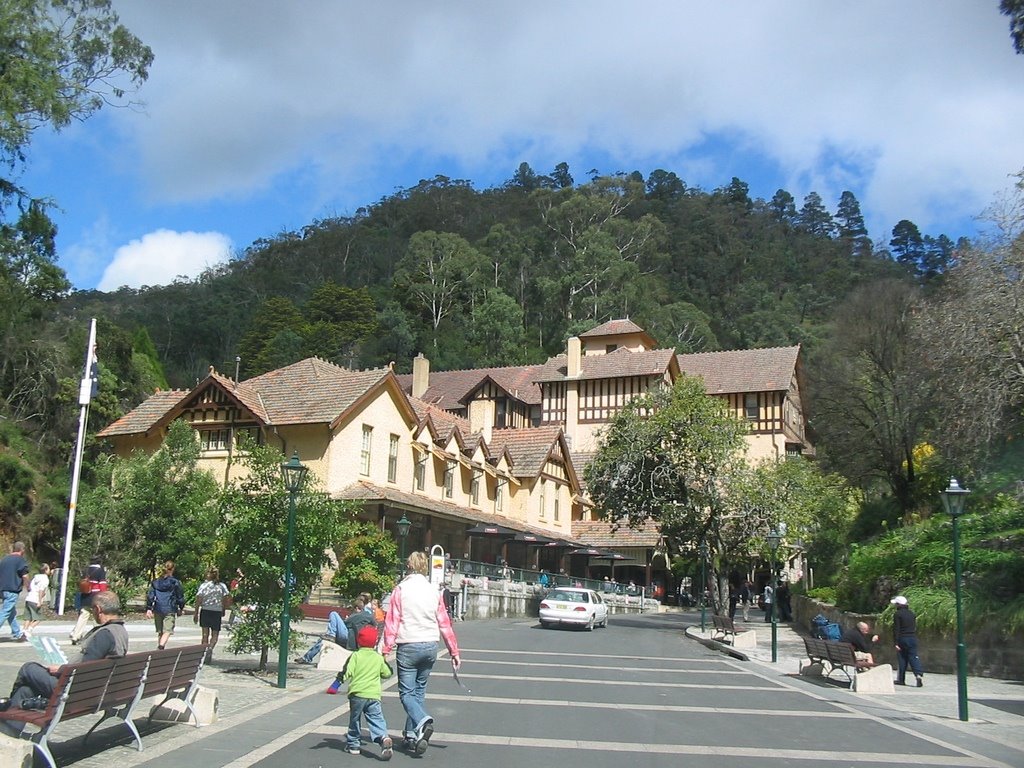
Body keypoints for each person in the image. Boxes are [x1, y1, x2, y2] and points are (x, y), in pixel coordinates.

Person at [0, 591, 128, 721]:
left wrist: (61, 669)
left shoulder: (105, 634)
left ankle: (7, 705)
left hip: (74, 692)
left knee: (28, 668)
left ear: (98, 609)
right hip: (95, 690)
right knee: (26, 691)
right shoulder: (120, 631)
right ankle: (9, 726)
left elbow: (85, 669)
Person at [382, 551, 460, 756]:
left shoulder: (400, 589)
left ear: (408, 566)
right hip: (430, 644)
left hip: (408, 644)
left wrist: (385, 648)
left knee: (406, 693)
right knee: (418, 692)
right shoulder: (434, 591)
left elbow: (393, 621)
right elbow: (444, 622)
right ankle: (411, 735)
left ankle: (423, 721)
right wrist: (453, 651)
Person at [342, 624, 394, 759]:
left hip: (357, 694)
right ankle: (383, 737)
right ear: (375, 642)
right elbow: (388, 673)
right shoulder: (377, 658)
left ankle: (353, 744)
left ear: (359, 642)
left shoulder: (356, 656)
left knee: (355, 719)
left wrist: (336, 683)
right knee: (376, 718)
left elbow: (347, 671)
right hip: (373, 695)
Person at [146, 560, 184, 649]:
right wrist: (181, 607)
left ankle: (160, 649)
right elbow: (180, 596)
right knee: (167, 630)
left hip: (158, 608)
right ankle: (161, 647)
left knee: (160, 631)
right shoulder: (175, 582)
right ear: (173, 569)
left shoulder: (156, 582)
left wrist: (149, 608)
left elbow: (150, 595)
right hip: (170, 608)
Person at [70, 557, 108, 644]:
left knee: (83, 617)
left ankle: (75, 636)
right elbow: (102, 585)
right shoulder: (100, 571)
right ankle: (98, 636)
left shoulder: (86, 570)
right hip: (96, 596)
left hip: (85, 596)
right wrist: (104, 595)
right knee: (97, 617)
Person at [195, 567, 230, 660]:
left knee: (205, 634)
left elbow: (199, 599)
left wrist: (196, 612)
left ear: (208, 574)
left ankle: (204, 651)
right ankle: (210, 648)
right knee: (215, 634)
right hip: (216, 611)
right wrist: (224, 608)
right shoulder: (222, 586)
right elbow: (226, 598)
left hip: (205, 610)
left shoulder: (204, 586)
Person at [891, 595, 924, 687]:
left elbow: (896, 629)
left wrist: (896, 642)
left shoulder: (898, 614)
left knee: (902, 659)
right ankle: (918, 674)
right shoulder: (912, 614)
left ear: (898, 604)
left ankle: (901, 679)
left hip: (902, 638)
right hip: (912, 637)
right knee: (913, 656)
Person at [0, 542, 29, 641]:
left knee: (11, 612)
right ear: (22, 550)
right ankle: (18, 634)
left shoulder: (4, 559)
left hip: (2, 589)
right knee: (5, 612)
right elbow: (24, 575)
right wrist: (28, 587)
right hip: (12, 590)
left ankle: (18, 634)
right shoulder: (20, 560)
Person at [23, 563, 50, 638]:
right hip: (35, 599)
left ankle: (24, 630)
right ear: (45, 570)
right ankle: (29, 630)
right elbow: (41, 590)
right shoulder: (45, 579)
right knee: (39, 617)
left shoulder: (35, 578)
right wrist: (40, 600)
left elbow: (31, 587)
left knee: (28, 617)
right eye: (48, 569)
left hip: (29, 598)